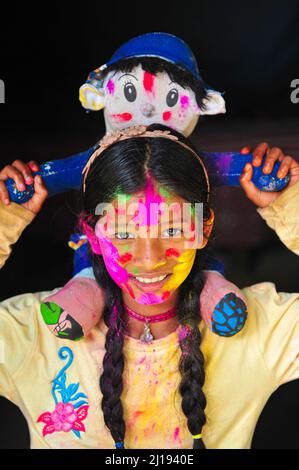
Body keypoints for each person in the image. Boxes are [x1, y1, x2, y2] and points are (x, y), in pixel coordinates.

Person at [0, 125, 298, 449]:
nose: (149, 258)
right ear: (92, 233)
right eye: (124, 234)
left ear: (204, 227)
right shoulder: (33, 333)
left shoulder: (261, 330)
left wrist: (292, 204)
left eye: (171, 229)